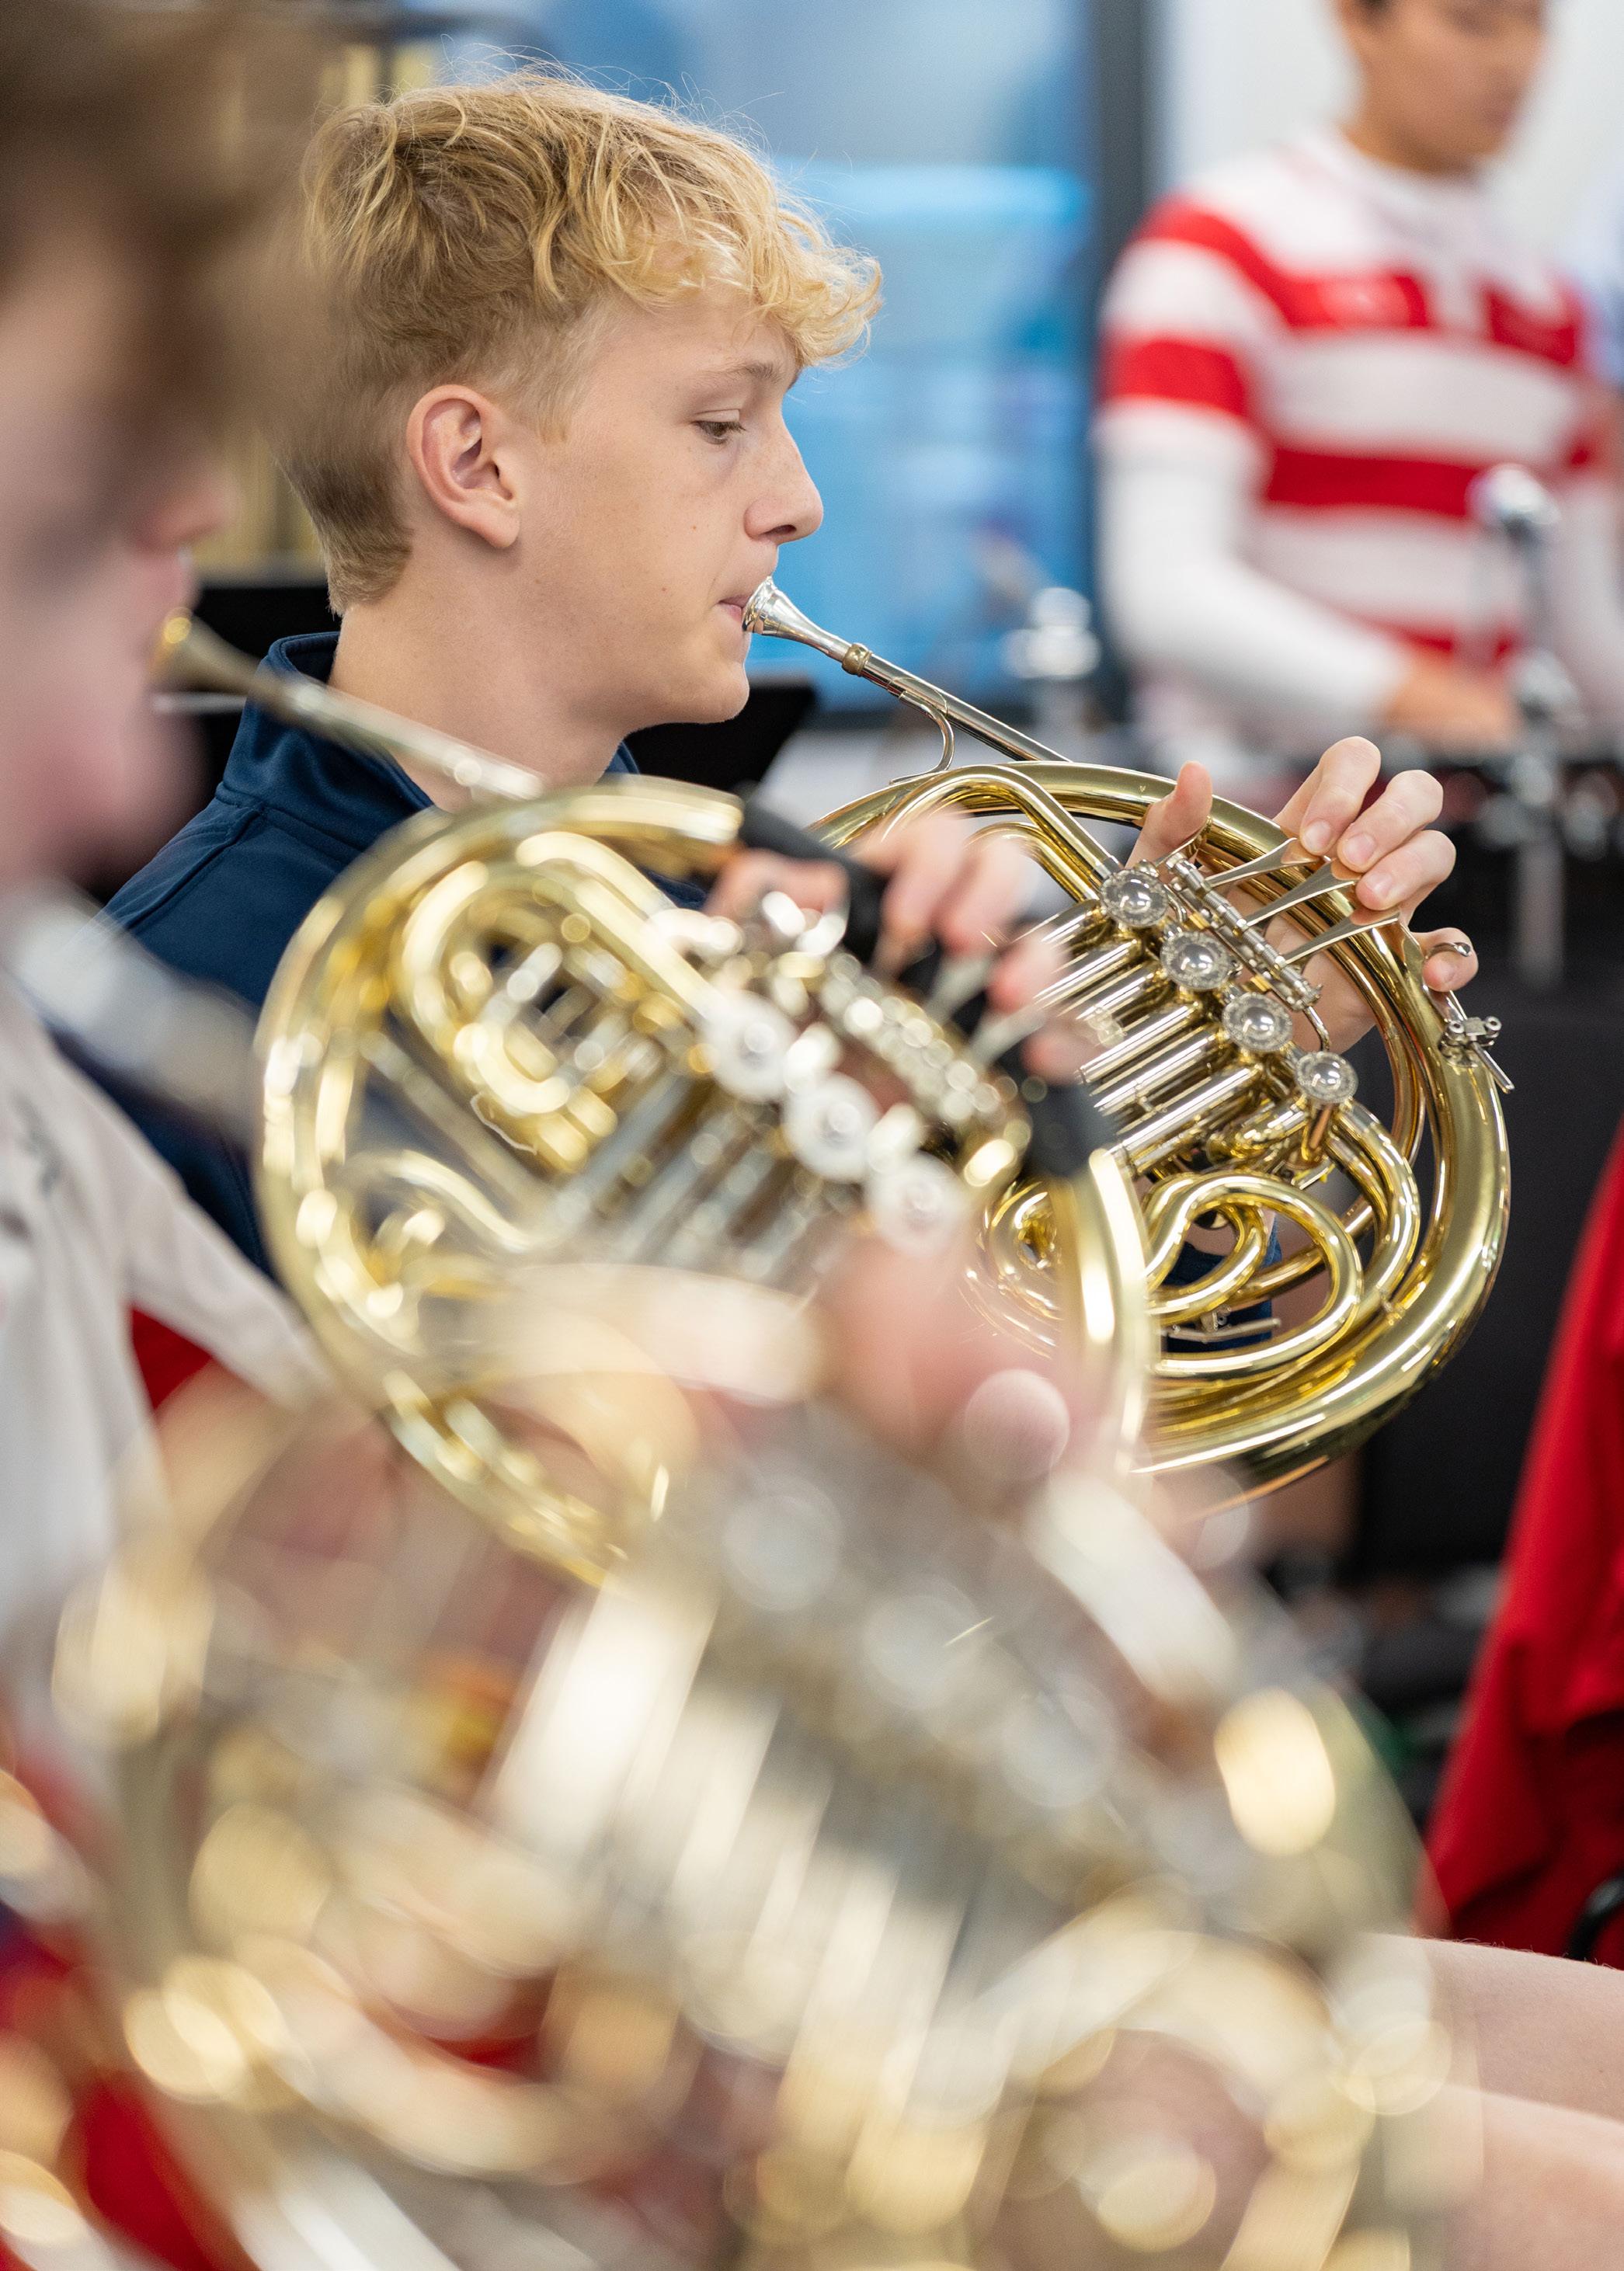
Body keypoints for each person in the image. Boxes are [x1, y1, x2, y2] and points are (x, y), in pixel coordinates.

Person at [106, 67, 1476, 1272]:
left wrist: (1150, 1095)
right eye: (720, 424)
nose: (800, 502)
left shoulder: (765, 913)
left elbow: (1026, 1389)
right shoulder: (171, 1017)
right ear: (477, 464)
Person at [1095, 0, 1624, 782]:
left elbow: (1581, 623)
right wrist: (1425, 700)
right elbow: (1166, 591)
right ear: (1358, 22)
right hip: (1260, 822)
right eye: (1473, 22)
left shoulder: (1553, 308)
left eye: (1535, 22)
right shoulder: (1219, 248)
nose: (1513, 61)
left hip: (1480, 823)